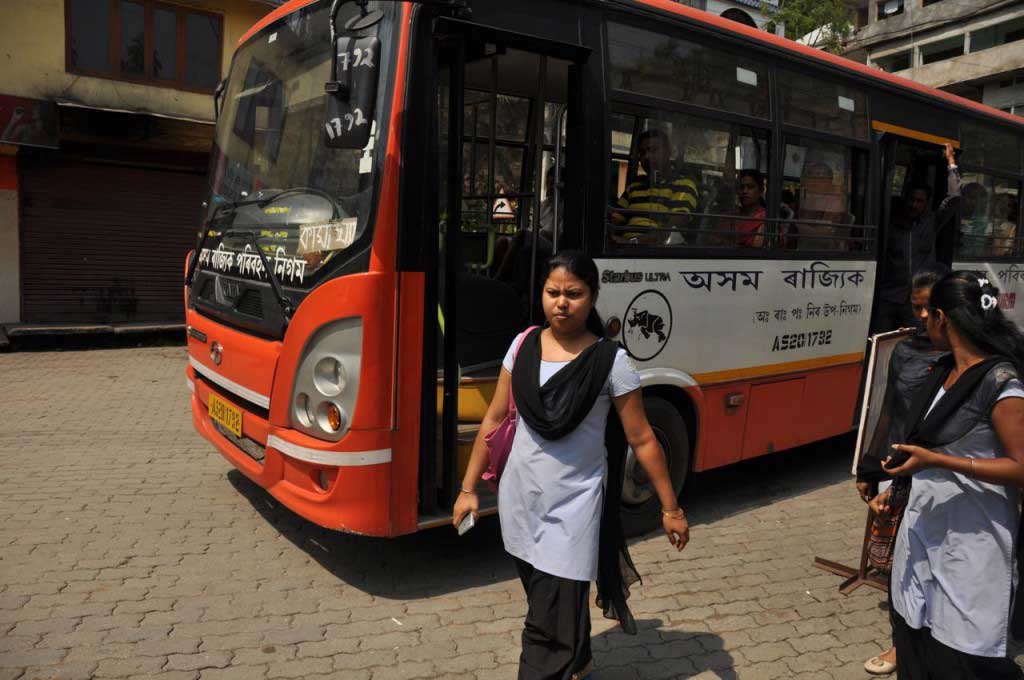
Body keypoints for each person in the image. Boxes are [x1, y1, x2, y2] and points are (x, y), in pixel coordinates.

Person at [453, 251, 689, 680]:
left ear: (593, 297)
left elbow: (642, 438)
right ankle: (579, 661)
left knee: (545, 625)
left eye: (574, 294)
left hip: (574, 508)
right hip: (520, 502)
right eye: (553, 292)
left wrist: (670, 508)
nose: (561, 302)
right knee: (551, 605)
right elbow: (493, 418)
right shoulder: (521, 345)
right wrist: (469, 489)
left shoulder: (610, 362)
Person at [879, 271, 1024, 679]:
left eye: (928, 313)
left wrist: (940, 463)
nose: (922, 319)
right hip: (925, 529)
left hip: (974, 540)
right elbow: (920, 442)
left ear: (942, 317)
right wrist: (895, 488)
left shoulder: (1001, 383)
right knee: (914, 640)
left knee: (960, 658)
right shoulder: (941, 371)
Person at [854, 267, 949, 676]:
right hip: (902, 471)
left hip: (948, 477)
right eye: (916, 307)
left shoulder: (970, 358)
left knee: (941, 567)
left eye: (931, 308)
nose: (924, 316)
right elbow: (889, 410)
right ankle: (901, 645)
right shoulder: (906, 352)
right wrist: (870, 468)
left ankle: (943, 644)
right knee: (898, 567)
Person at [873, 144, 962, 334]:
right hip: (889, 297)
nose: (914, 204)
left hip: (916, 301)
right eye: (912, 199)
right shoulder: (892, 223)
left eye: (920, 201)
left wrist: (951, 162)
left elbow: (954, 198)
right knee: (880, 341)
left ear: (926, 204)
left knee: (915, 344)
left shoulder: (932, 222)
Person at [611, 129, 699, 245]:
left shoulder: (684, 186)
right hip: (625, 249)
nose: (646, 157)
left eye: (653, 150)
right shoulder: (635, 185)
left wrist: (631, 242)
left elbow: (669, 232)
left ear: (668, 152)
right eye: (642, 153)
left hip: (656, 253)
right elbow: (615, 220)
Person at [719, 169, 768, 247]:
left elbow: (756, 250)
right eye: (741, 187)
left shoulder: (766, 218)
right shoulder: (732, 215)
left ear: (761, 191)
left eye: (750, 187)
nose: (744, 191)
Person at [958, 182, 991, 258]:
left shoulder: (981, 222)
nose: (974, 202)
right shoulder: (956, 216)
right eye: (971, 198)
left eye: (978, 199)